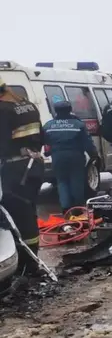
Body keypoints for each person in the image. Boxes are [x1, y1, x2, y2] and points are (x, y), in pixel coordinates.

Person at [0, 78, 45, 274]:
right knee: (28, 211)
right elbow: (41, 136)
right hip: (33, 165)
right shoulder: (27, 105)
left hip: (17, 169)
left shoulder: (3, 110)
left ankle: (28, 265)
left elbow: (2, 144)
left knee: (19, 216)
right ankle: (31, 260)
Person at [42, 97, 98, 215]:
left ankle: (66, 208)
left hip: (58, 157)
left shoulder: (48, 125)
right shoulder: (78, 124)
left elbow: (44, 141)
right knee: (76, 181)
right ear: (70, 110)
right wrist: (94, 155)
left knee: (62, 182)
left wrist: (49, 151)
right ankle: (78, 208)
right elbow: (87, 142)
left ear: (56, 111)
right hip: (75, 156)